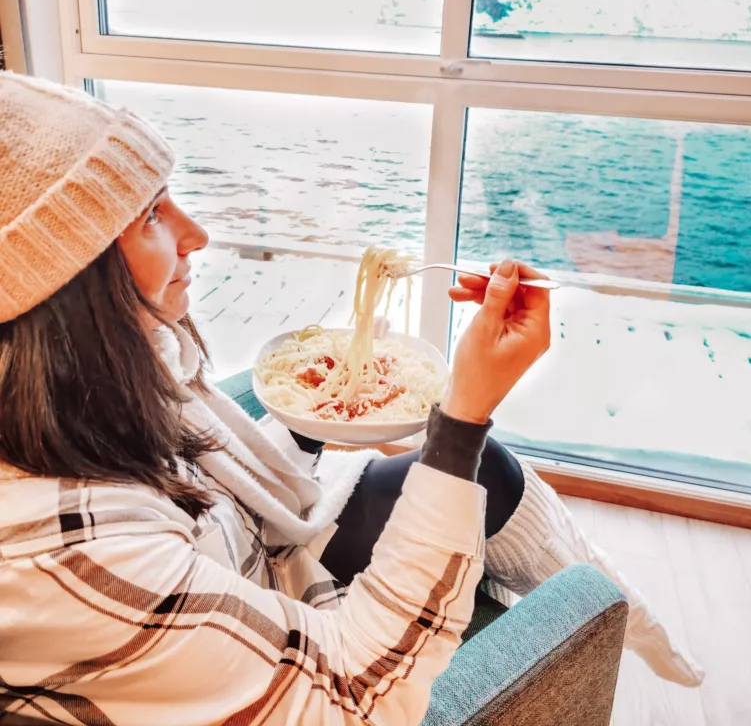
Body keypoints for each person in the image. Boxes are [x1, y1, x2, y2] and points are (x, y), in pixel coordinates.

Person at [0, 72, 701, 726]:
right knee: (468, 461)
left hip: (250, 558)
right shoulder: (70, 557)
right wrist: (461, 415)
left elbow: (217, 490)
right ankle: (605, 621)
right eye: (152, 214)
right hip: (303, 641)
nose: (197, 234)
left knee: (494, 473)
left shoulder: (94, 375)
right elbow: (351, 695)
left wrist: (311, 418)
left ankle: (638, 628)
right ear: (60, 284)